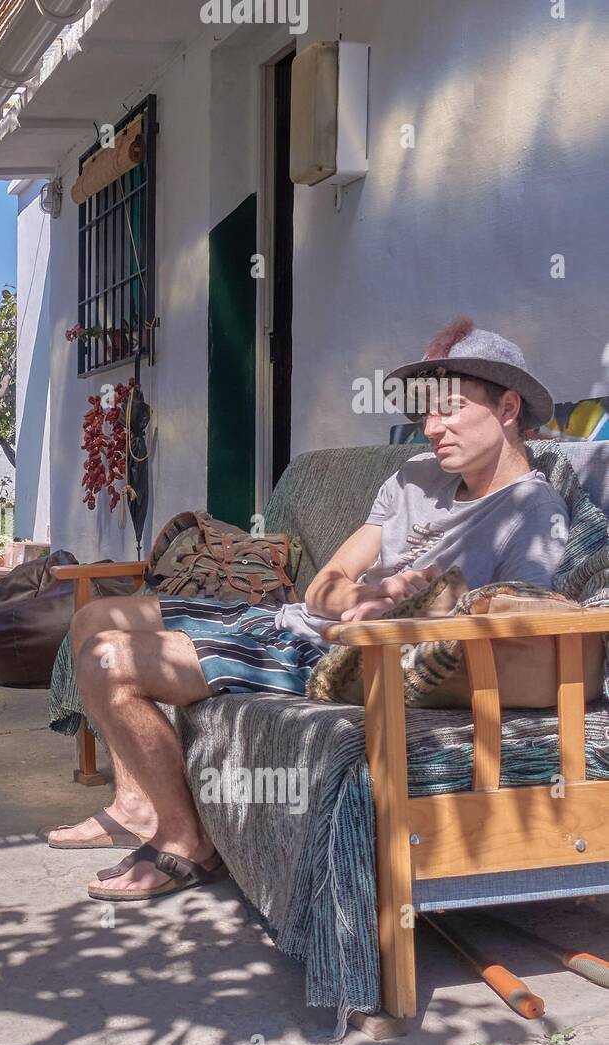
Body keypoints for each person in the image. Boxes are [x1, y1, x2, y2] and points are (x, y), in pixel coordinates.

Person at [51, 320, 569, 902]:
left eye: (448, 410)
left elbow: (522, 627)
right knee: (93, 619)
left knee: (108, 659)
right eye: (425, 412)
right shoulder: (415, 477)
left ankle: (186, 841)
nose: (430, 428)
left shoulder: (531, 511)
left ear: (507, 407)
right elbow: (325, 585)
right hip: (293, 620)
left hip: (331, 660)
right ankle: (136, 803)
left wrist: (404, 620)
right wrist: (368, 598)